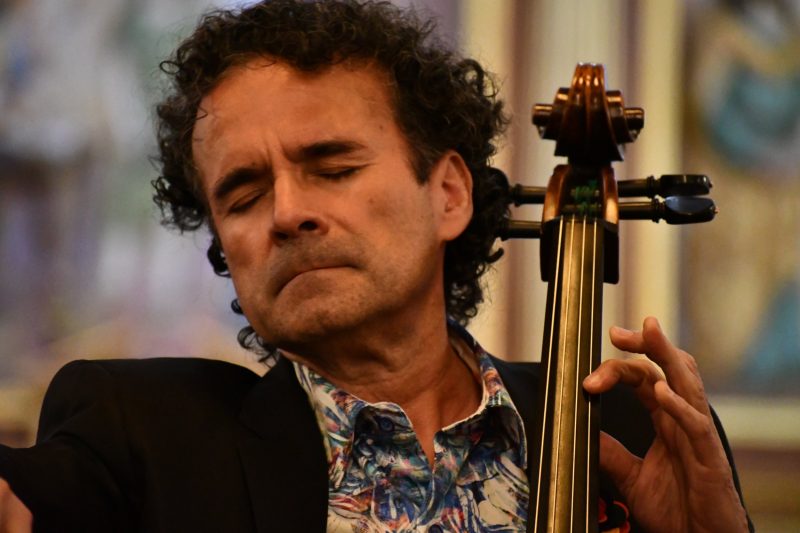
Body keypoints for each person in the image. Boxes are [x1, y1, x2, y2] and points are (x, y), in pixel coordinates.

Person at [0, 1, 753, 531]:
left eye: (333, 167)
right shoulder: (140, 436)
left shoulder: (625, 432)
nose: (286, 212)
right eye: (243, 193)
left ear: (448, 194)